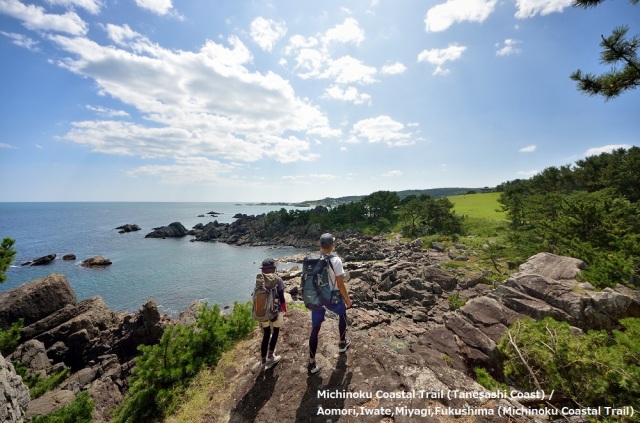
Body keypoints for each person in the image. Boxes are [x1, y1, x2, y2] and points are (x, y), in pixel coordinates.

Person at [308, 233, 352, 375]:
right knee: (343, 315)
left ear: (320, 244)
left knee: (315, 329)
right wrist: (347, 299)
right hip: (332, 297)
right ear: (331, 245)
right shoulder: (336, 261)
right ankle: (341, 343)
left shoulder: (313, 259)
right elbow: (340, 284)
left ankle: (311, 361)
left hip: (317, 298)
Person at [258, 258, 287, 370]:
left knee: (266, 334)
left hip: (262, 312)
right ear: (274, 268)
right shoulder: (278, 280)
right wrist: (284, 309)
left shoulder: (259, 280)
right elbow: (282, 297)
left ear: (263, 270)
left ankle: (263, 360)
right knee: (275, 331)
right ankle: (271, 356)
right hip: (275, 311)